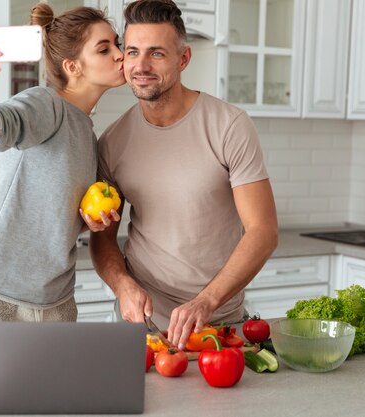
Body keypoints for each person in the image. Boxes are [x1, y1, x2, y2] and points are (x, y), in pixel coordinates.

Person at [88, 0, 278, 350]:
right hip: (141, 325)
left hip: (218, 321)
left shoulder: (229, 126)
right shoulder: (112, 141)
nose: (141, 66)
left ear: (183, 59)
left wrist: (206, 301)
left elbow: (263, 231)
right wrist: (123, 286)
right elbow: (103, 239)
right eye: (132, 52)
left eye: (157, 53)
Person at [0, 3, 123, 353]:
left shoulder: (89, 137)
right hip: (1, 294)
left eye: (117, 44)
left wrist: (90, 222)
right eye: (105, 48)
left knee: (53, 404)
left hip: (57, 299)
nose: (121, 55)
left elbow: (59, 216)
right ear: (72, 66)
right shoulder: (45, 104)